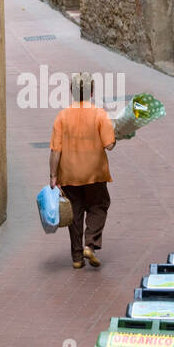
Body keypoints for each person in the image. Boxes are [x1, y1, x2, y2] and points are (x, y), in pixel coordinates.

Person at [49, 71, 116, 269]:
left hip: (69, 174)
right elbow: (109, 145)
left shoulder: (62, 116)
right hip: (94, 173)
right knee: (99, 205)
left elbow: (55, 150)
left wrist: (53, 176)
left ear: (71, 91)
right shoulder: (99, 114)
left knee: (75, 213)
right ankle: (90, 244)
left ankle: (77, 258)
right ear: (92, 91)